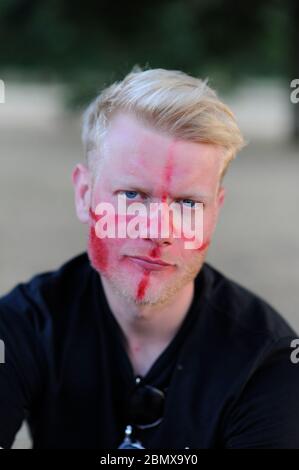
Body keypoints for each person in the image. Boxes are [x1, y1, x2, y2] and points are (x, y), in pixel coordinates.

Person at [0, 67, 298, 449]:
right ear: (84, 194)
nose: (159, 231)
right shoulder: (24, 327)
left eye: (188, 203)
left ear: (214, 212)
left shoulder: (267, 360)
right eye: (132, 195)